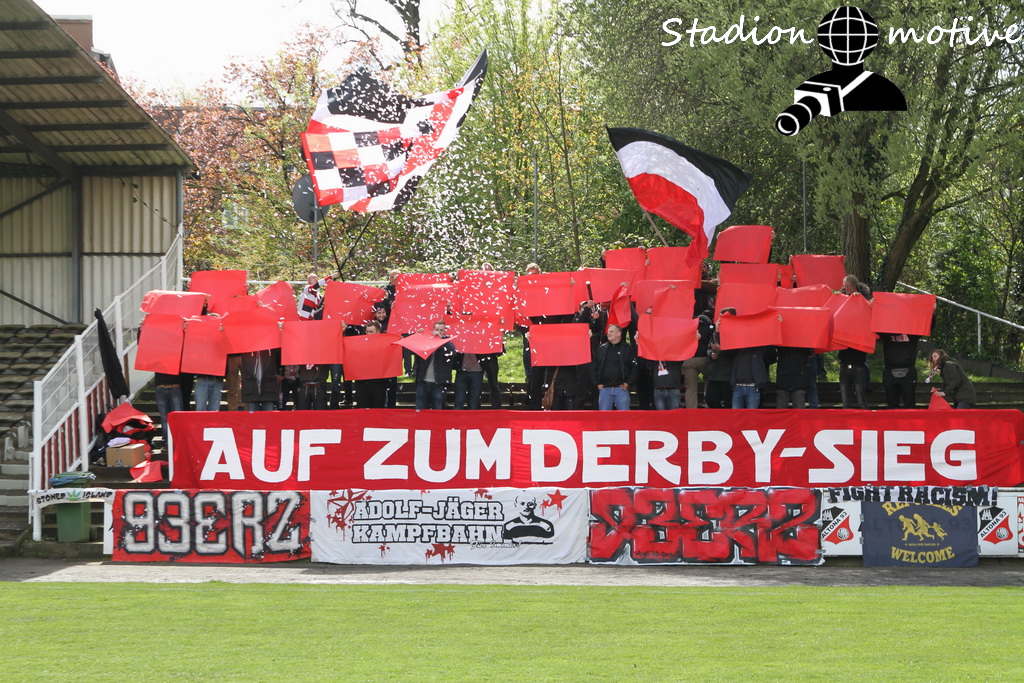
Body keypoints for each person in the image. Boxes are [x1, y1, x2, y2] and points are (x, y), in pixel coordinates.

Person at [592, 324, 638, 411]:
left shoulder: (628, 349)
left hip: (621, 389)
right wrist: (596, 383)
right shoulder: (601, 349)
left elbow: (634, 369)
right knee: (605, 418)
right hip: (604, 390)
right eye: (608, 332)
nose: (608, 333)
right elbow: (594, 367)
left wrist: (628, 383)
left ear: (619, 333)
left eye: (611, 331)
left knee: (624, 417)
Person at [413, 320, 458, 410]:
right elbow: (413, 351)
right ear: (433, 330)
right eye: (437, 330)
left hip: (439, 383)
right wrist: (418, 336)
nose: (438, 332)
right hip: (423, 382)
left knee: (437, 410)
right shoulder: (427, 340)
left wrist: (441, 339)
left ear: (445, 331)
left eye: (441, 330)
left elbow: (453, 352)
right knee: (420, 410)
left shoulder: (447, 342)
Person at [681, 309, 714, 409]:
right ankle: (708, 406)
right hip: (705, 359)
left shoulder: (689, 328)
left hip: (689, 359)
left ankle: (691, 412)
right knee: (709, 382)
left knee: (690, 388)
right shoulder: (710, 328)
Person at [354, 321, 391, 409]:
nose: (368, 334)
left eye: (371, 332)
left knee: (378, 410)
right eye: (367, 331)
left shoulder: (385, 345)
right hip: (362, 383)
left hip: (378, 383)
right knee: (362, 411)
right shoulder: (360, 344)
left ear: (378, 332)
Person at [881, 333, 920, 408]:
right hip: (890, 369)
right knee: (891, 404)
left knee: (910, 403)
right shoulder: (886, 332)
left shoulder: (914, 331)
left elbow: (929, 327)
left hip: (908, 369)